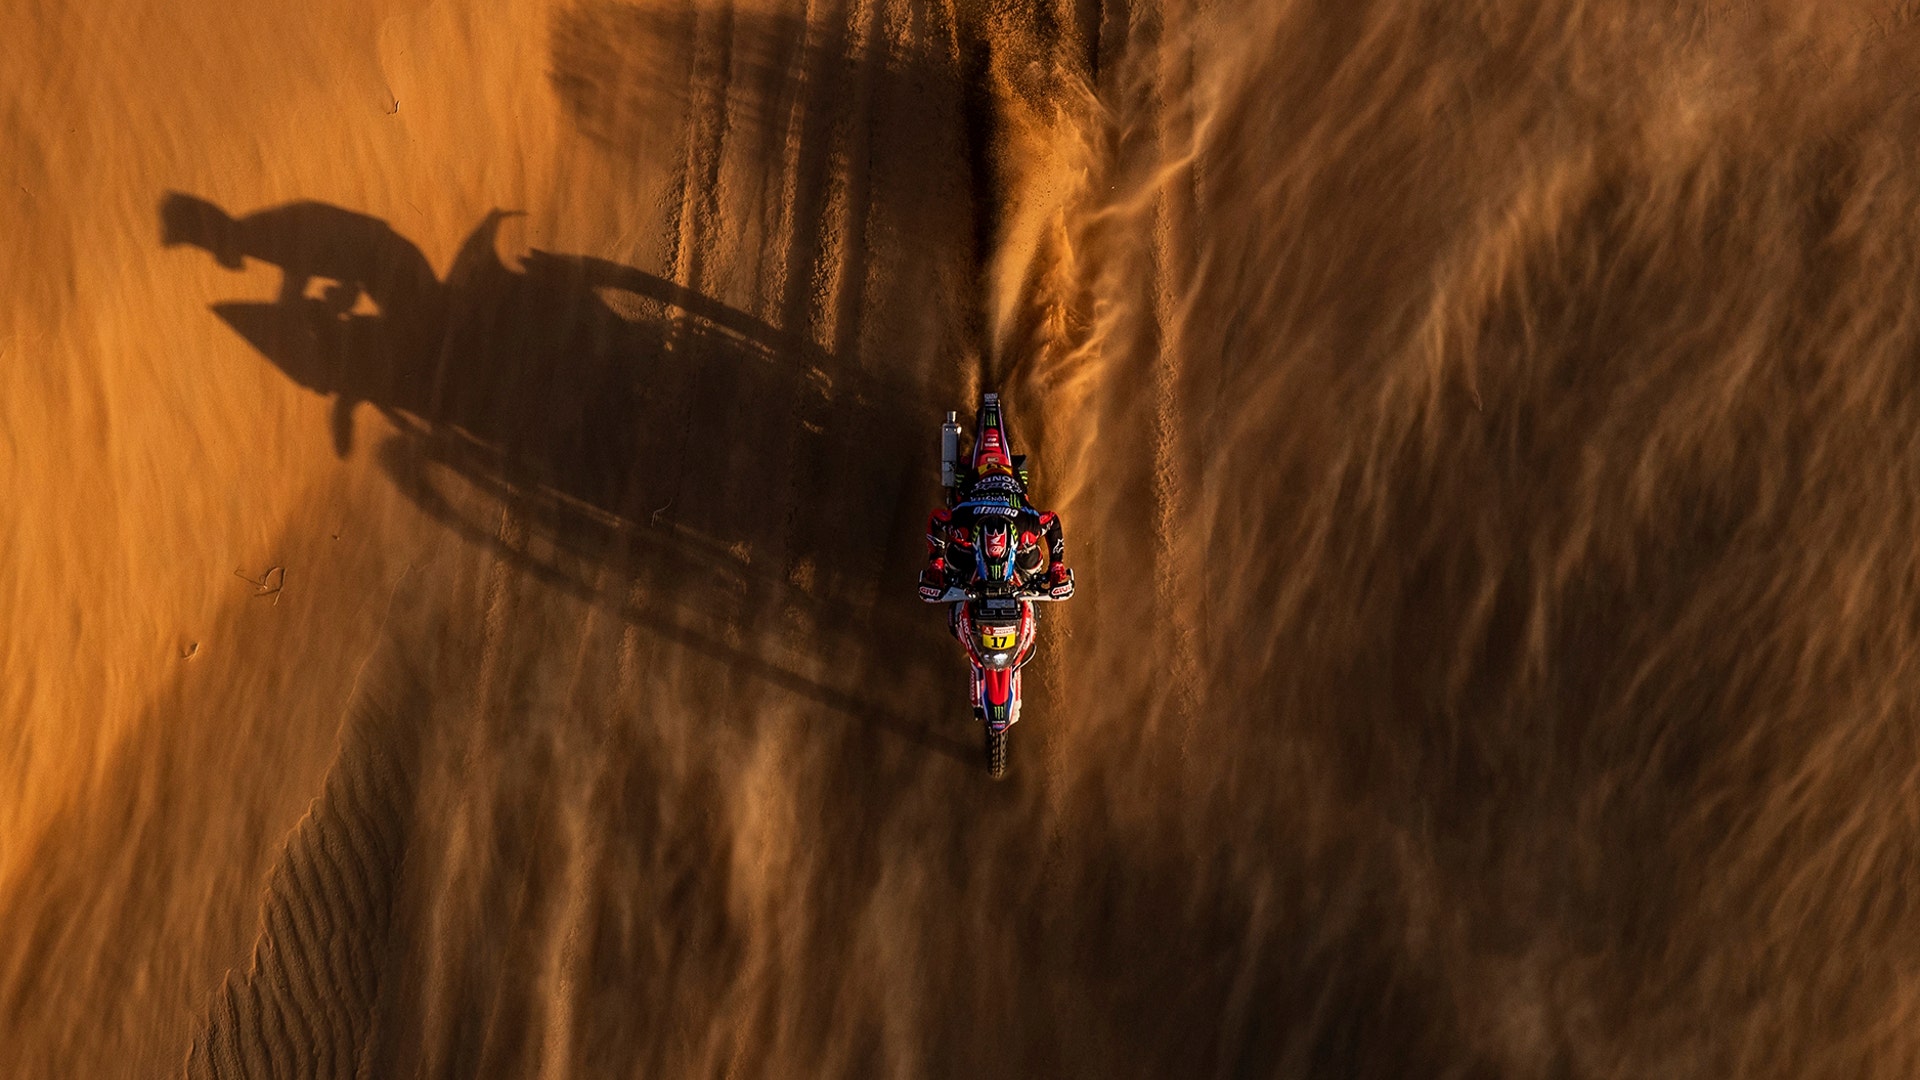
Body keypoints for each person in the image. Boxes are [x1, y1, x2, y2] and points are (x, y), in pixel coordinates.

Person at [918, 492, 1075, 602]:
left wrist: (1056, 566)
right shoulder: (962, 523)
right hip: (975, 485)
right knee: (955, 557)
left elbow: (1052, 520)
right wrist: (937, 564)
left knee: (1030, 560)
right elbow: (936, 518)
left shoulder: (1028, 526)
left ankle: (1023, 574)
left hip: (1007, 492)